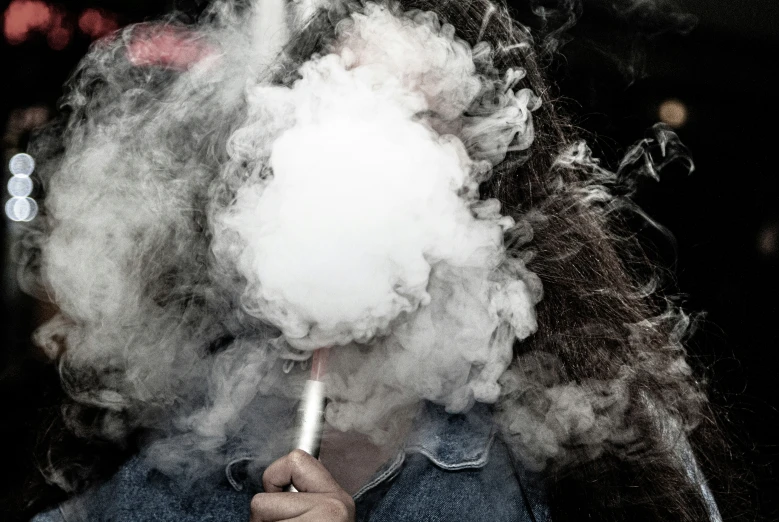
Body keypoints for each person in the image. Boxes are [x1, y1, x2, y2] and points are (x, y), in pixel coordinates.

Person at [24, 0, 729, 521]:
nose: (360, 164)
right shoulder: (177, 433)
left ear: (488, 178)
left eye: (410, 123)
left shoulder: (603, 446)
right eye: (339, 115)